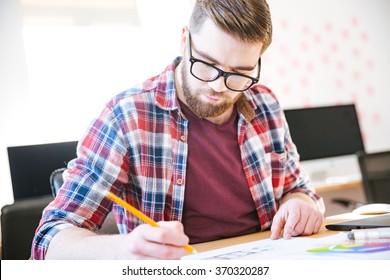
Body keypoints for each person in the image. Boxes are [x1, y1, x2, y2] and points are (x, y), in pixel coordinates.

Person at [32, 0, 325, 260]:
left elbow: (297, 188)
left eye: (240, 73)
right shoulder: (127, 116)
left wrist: (299, 203)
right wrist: (125, 249)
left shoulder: (264, 104)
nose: (218, 86)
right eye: (208, 64)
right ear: (184, 39)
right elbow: (49, 239)